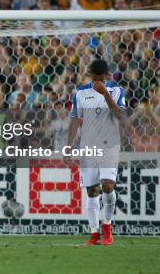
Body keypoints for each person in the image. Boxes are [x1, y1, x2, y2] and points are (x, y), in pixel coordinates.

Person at [67, 59, 125, 246]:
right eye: (94, 76)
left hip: (109, 145)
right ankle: (94, 234)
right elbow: (75, 120)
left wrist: (105, 94)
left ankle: (107, 228)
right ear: (90, 74)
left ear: (106, 76)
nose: (97, 80)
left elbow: (120, 115)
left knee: (108, 186)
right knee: (92, 191)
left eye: (100, 77)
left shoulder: (117, 91)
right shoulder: (81, 93)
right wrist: (69, 146)